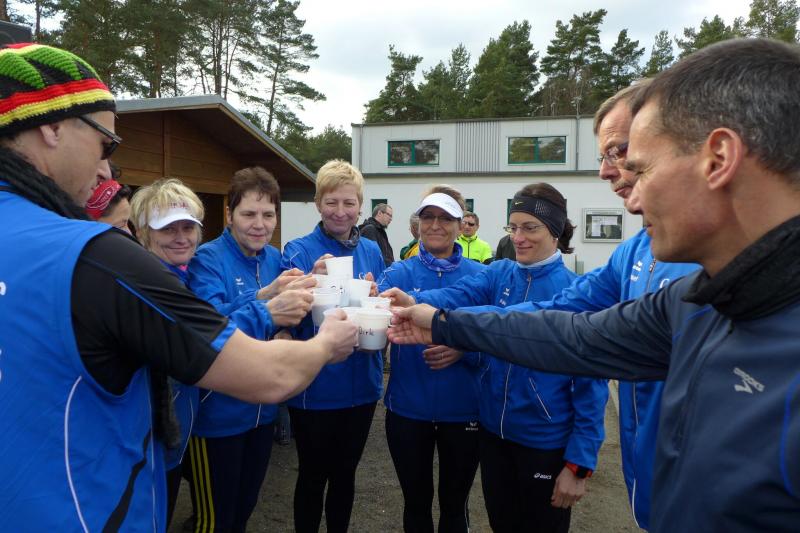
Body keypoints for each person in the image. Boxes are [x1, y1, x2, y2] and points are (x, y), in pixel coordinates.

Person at [388, 38, 800, 532]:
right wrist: (441, 322)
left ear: (718, 158)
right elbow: (573, 332)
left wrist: (579, 460)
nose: (629, 195)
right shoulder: (691, 299)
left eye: (638, 165)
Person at [0, 43, 358, 531]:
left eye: (190, 226)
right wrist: (327, 342)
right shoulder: (97, 257)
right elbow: (266, 374)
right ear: (52, 127)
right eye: (106, 143)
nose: (105, 169)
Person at [383, 184, 607, 533]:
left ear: (556, 230)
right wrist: (412, 302)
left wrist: (579, 464)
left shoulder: (576, 292)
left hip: (543, 441)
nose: (518, 238)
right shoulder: (500, 273)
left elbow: (593, 385)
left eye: (530, 228)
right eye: (513, 227)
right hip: (493, 436)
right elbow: (457, 293)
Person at [187, 167, 315, 532]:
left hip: (262, 414)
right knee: (214, 521)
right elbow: (207, 327)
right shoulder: (207, 259)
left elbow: (292, 316)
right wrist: (263, 298)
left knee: (243, 510)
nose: (259, 224)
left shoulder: (275, 259)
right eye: (249, 214)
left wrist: (288, 331)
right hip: (216, 416)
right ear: (229, 215)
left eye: (268, 215)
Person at [280, 159, 386, 533]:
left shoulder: (371, 249)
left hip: (362, 383)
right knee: (312, 475)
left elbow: (381, 304)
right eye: (331, 202)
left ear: (360, 205)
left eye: (348, 203)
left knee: (345, 475)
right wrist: (311, 279)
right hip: (315, 386)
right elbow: (284, 317)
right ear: (317, 204)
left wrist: (376, 297)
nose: (340, 211)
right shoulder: (298, 250)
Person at [375, 186, 486, 532]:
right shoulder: (396, 274)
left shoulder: (480, 276)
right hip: (408, 409)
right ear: (418, 223)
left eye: (445, 218)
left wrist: (464, 348)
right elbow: (373, 331)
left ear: (461, 224)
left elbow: (497, 342)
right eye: (428, 217)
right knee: (416, 504)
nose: (436, 225)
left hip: (464, 411)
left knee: (455, 507)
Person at [128, 178, 206, 527]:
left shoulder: (184, 277)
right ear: (144, 233)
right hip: (147, 444)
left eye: (188, 227)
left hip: (174, 436)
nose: (181, 237)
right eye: (168, 228)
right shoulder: (150, 283)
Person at [359, 202, 394, 266]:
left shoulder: (380, 231)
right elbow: (373, 257)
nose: (391, 219)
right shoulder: (370, 230)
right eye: (389, 215)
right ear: (379, 213)